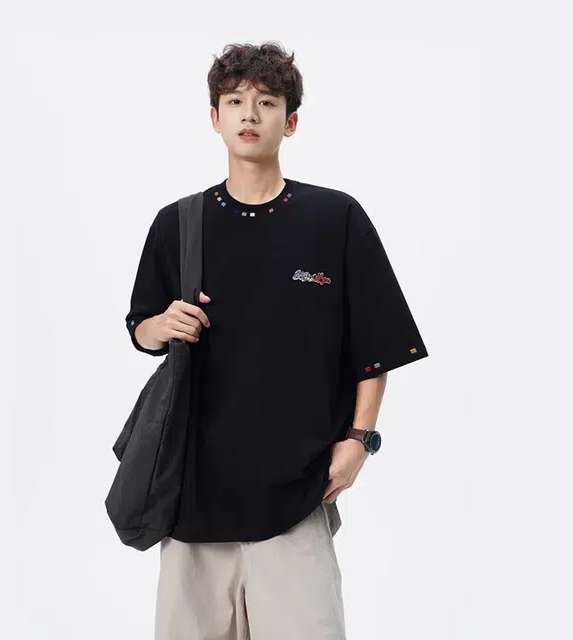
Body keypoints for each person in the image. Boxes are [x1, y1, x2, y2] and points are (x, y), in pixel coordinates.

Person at [125, 41, 429, 640]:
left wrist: (359, 441)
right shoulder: (178, 223)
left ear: (289, 122)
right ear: (214, 118)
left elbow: (375, 344)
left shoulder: (334, 218)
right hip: (192, 495)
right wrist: (161, 325)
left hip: (298, 491)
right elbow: (141, 327)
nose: (249, 114)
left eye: (266, 102)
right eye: (234, 101)